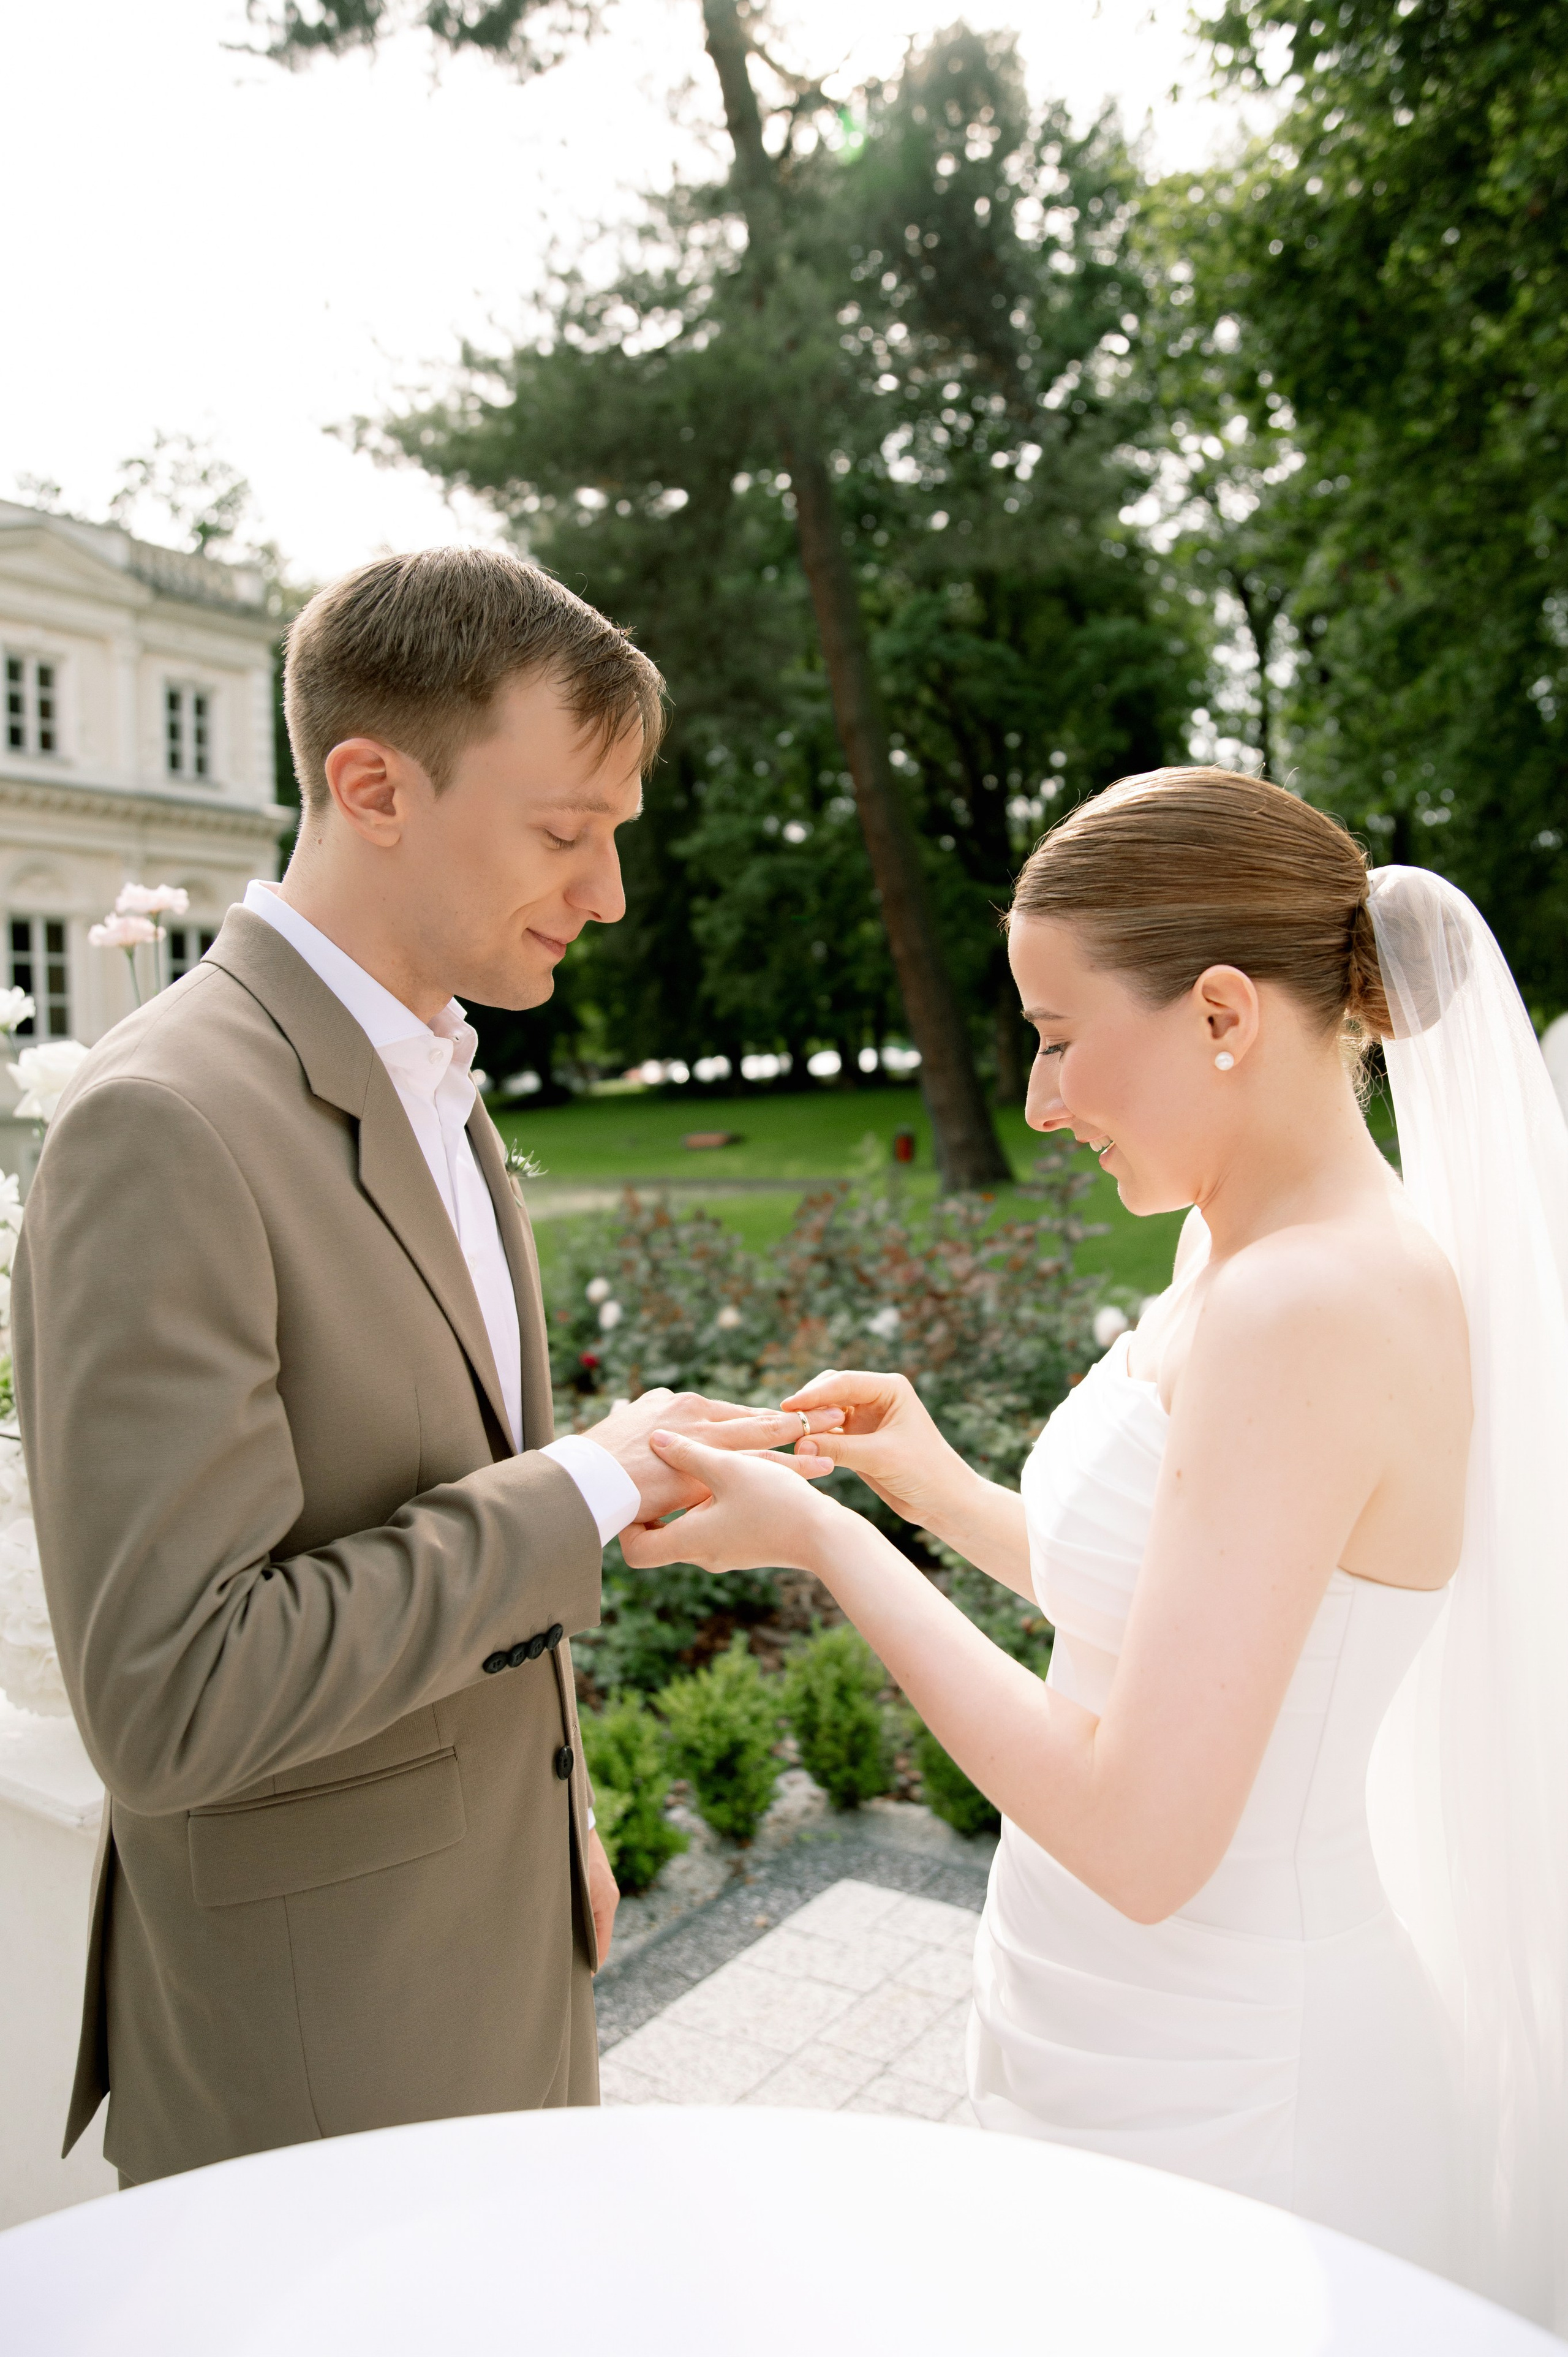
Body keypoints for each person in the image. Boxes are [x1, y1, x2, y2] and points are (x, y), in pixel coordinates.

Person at [625, 769, 1568, 2330]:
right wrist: (924, 1488)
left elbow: (1142, 1836)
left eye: (1058, 1039)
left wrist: (827, 1549)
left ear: (1218, 1013)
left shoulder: (1308, 1303)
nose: (1041, 1100)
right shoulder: (1233, 1245)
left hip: (1242, 2079)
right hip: (1110, 2019)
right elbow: (1176, 1616)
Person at [12, 548, 835, 2188]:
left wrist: (563, 1809)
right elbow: (177, 1699)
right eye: (564, 831)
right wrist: (590, 1481)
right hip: (321, 2061)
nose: (606, 893)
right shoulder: (162, 1125)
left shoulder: (441, 1079)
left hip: (500, 1949)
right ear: (371, 786)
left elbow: (437, 1514)